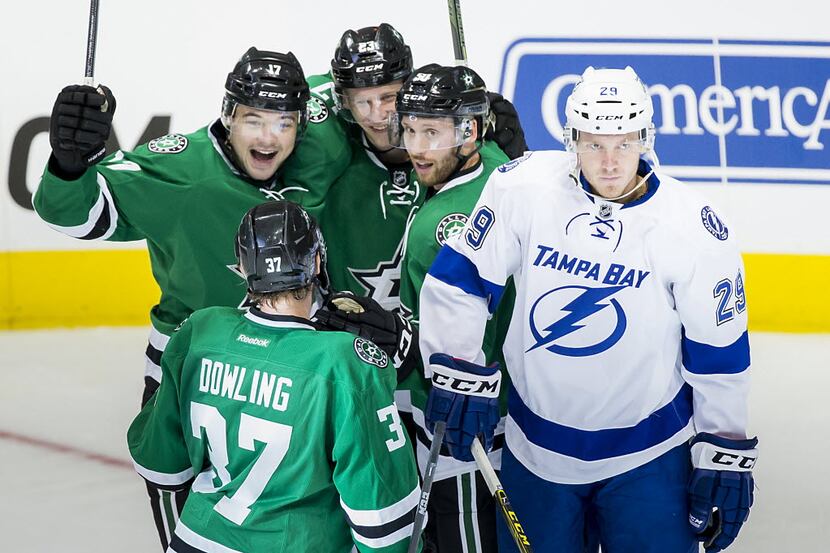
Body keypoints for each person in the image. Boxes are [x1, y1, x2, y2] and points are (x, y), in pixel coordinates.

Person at [418, 66, 757, 552]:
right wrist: (455, 366)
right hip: (534, 448)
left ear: (646, 138)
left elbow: (718, 351)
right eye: (594, 144)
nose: (611, 162)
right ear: (571, 140)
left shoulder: (693, 227)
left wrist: (725, 447)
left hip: (650, 455)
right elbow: (461, 280)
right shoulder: (521, 189)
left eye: (624, 143)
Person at [33, 47, 350, 549]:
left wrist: (480, 126)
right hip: (193, 362)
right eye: (254, 120)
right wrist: (70, 167)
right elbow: (77, 215)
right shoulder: (181, 172)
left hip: (296, 366)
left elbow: (366, 96)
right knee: (182, 505)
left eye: (284, 123)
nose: (269, 138)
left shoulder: (321, 143)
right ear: (227, 115)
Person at [127, 200, 422, 553]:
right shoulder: (345, 362)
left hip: (195, 541)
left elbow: (159, 465)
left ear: (241, 267)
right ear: (315, 262)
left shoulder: (199, 331)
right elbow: (385, 524)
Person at [312, 23, 527, 311]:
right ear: (346, 102)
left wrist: (519, 166)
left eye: (388, 98)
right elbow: (308, 90)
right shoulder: (332, 157)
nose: (376, 115)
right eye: (362, 102)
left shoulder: (477, 158)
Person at [394, 63, 511, 553]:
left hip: (459, 416)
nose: (417, 148)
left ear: (470, 131)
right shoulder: (499, 167)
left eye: (433, 133)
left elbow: (437, 341)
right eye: (411, 129)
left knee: (461, 534)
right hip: (502, 405)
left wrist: (386, 331)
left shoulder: (442, 227)